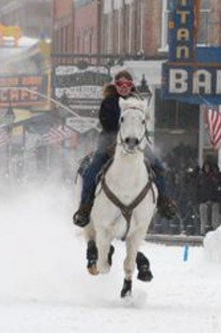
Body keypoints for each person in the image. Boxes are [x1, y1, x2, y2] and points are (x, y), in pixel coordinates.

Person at [73, 70, 178, 279]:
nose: (123, 86)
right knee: (91, 170)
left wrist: (138, 129)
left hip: (135, 140)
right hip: (111, 141)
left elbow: (143, 122)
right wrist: (117, 141)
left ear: (131, 85)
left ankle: (164, 201)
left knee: (157, 165)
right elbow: (106, 123)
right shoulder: (109, 103)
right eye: (119, 83)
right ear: (115, 85)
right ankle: (85, 207)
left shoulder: (138, 100)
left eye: (127, 83)